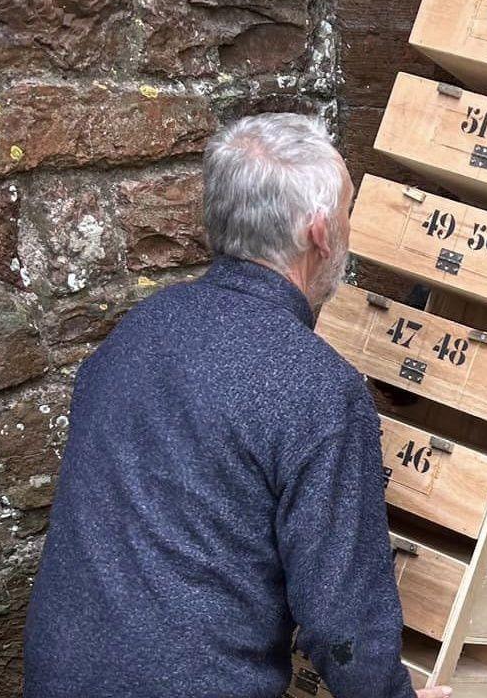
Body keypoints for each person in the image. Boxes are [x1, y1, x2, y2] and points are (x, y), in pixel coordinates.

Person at [23, 114, 449, 698]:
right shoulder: (321, 387)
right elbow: (342, 624)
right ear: (320, 232)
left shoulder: (134, 331)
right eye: (348, 213)